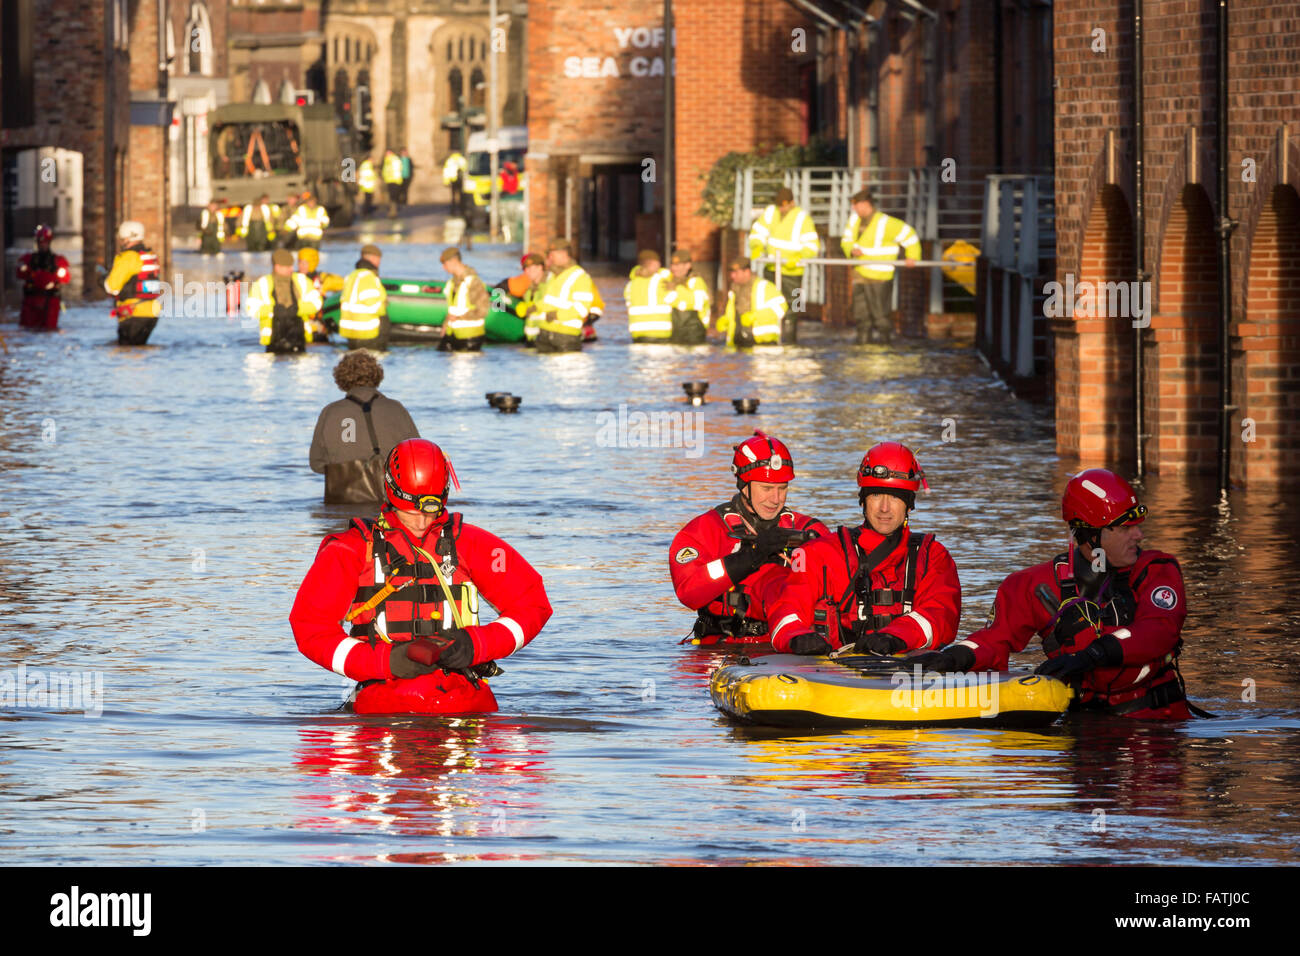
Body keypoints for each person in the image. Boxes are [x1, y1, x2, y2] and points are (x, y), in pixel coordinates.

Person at [290, 438, 553, 709]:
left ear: (443, 497)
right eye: (409, 510)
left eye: (429, 510)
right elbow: (310, 627)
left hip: (464, 700)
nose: (420, 521)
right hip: (382, 704)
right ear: (391, 493)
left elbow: (532, 603)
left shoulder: (473, 544)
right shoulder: (350, 549)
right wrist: (388, 661)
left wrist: (475, 644)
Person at [914, 469, 1197, 720]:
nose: (1138, 536)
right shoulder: (1032, 586)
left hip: (1157, 725)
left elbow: (1159, 631)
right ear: (1091, 534)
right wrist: (954, 657)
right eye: (1125, 527)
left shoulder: (1157, 570)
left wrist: (1095, 653)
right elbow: (994, 640)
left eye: (1137, 526)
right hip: (1084, 729)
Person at [766, 442, 961, 657]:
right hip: (832, 676)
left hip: (907, 673)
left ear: (909, 504)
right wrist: (795, 636)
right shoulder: (818, 553)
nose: (884, 508)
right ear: (863, 500)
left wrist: (896, 636)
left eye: (895, 496)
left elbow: (942, 615)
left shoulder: (933, 557)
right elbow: (786, 609)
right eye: (876, 495)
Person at [671, 432, 830, 645]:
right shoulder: (705, 531)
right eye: (767, 488)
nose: (776, 499)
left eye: (782, 488)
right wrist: (751, 557)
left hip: (795, 645)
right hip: (721, 650)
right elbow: (689, 592)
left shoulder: (809, 529)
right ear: (743, 485)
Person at [309, 350, 420, 502]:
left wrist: (347, 467)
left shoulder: (330, 412)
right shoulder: (396, 408)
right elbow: (417, 457)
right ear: (377, 376)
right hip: (392, 500)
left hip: (344, 501)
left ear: (341, 379)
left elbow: (316, 464)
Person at [840, 189, 920, 345]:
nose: (854, 209)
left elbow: (909, 235)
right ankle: (863, 347)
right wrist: (851, 250)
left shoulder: (885, 223)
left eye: (855, 205)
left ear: (865, 204)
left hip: (879, 277)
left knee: (881, 317)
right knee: (861, 316)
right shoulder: (853, 221)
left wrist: (913, 256)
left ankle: (885, 347)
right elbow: (846, 240)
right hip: (860, 275)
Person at [746, 185, 819, 342]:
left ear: (792, 203)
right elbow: (758, 232)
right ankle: (772, 339)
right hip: (772, 268)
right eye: (779, 205)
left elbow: (812, 246)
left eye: (784, 205)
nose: (782, 208)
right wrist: (757, 246)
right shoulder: (770, 212)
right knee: (769, 304)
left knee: (795, 308)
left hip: (794, 273)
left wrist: (799, 256)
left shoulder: (802, 218)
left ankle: (791, 342)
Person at [245, 248, 320, 354]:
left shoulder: (301, 280)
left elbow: (317, 303)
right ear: (277, 267)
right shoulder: (262, 283)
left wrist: (298, 309)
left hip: (299, 341)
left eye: (292, 265)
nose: (291, 269)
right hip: (273, 344)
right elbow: (251, 309)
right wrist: (273, 310)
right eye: (288, 266)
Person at [103, 220, 164, 346]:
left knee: (127, 353)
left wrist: (102, 280)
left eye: (122, 239)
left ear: (127, 238)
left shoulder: (128, 257)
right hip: (152, 313)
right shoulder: (149, 255)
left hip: (133, 313)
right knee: (141, 350)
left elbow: (111, 288)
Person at [534, 238, 594, 353]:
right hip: (545, 334)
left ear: (564, 254)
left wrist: (557, 315)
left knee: (567, 370)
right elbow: (549, 301)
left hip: (566, 337)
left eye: (552, 255)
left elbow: (581, 309)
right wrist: (536, 307)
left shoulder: (580, 276)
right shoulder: (552, 275)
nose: (550, 258)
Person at [716, 258, 785, 347]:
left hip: (763, 344)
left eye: (736, 272)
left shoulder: (765, 287)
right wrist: (726, 320)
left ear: (747, 272)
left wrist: (756, 316)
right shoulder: (733, 290)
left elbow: (781, 309)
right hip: (739, 343)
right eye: (731, 272)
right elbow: (734, 313)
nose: (732, 276)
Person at [16, 224, 70, 330]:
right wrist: (24, 269)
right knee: (27, 327)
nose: (42, 245)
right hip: (31, 300)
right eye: (40, 242)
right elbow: (19, 273)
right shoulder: (28, 259)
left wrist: (60, 273)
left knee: (49, 328)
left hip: (50, 300)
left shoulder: (58, 260)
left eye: (45, 242)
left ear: (49, 242)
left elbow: (66, 278)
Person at [438, 246, 489, 351]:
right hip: (453, 333)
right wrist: (445, 325)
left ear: (454, 261)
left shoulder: (473, 282)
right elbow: (453, 309)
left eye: (445, 264)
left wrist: (459, 317)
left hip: (470, 337)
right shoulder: (451, 283)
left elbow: (483, 311)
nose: (443, 268)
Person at [340, 244, 389, 350]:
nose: (379, 263)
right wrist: (384, 307)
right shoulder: (369, 277)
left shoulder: (351, 276)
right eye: (378, 259)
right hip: (368, 332)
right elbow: (375, 305)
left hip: (350, 332)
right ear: (372, 258)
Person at [624, 249, 673, 343]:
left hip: (638, 334)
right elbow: (674, 299)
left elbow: (628, 302)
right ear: (653, 263)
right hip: (660, 333)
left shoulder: (631, 284)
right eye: (658, 263)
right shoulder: (661, 280)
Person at [665, 248, 710, 345]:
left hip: (695, 332)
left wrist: (678, 291)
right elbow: (666, 300)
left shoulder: (696, 281)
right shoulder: (670, 282)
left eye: (677, 265)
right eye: (672, 265)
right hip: (676, 333)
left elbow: (698, 303)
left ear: (688, 265)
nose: (674, 268)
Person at [298, 247, 343, 342]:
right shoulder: (294, 278)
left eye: (304, 263)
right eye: (299, 262)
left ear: (312, 263)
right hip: (300, 321)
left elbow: (344, 285)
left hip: (318, 324)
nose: (301, 266)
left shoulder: (323, 278)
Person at [382, 148, 404, 217]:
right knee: (392, 196)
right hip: (389, 180)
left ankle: (393, 211)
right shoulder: (386, 160)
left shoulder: (394, 159)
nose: (386, 154)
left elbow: (398, 169)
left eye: (388, 153)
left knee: (394, 196)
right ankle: (392, 211)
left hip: (395, 180)